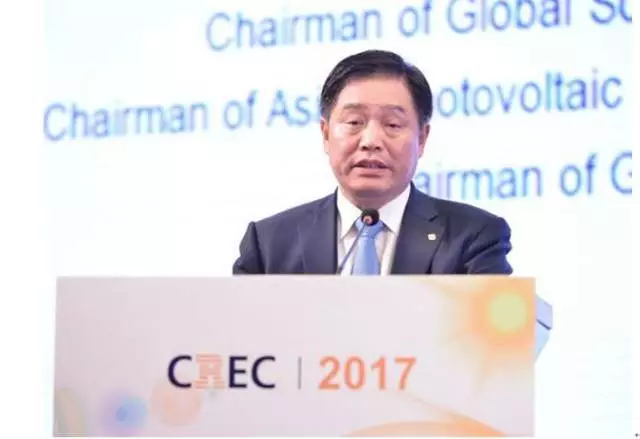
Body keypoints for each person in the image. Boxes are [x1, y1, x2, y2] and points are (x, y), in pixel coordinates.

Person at [232, 49, 513, 275]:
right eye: (354, 122)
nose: (371, 141)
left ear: (422, 139)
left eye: (392, 124)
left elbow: (490, 329)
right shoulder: (268, 245)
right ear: (326, 134)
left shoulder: (473, 238)